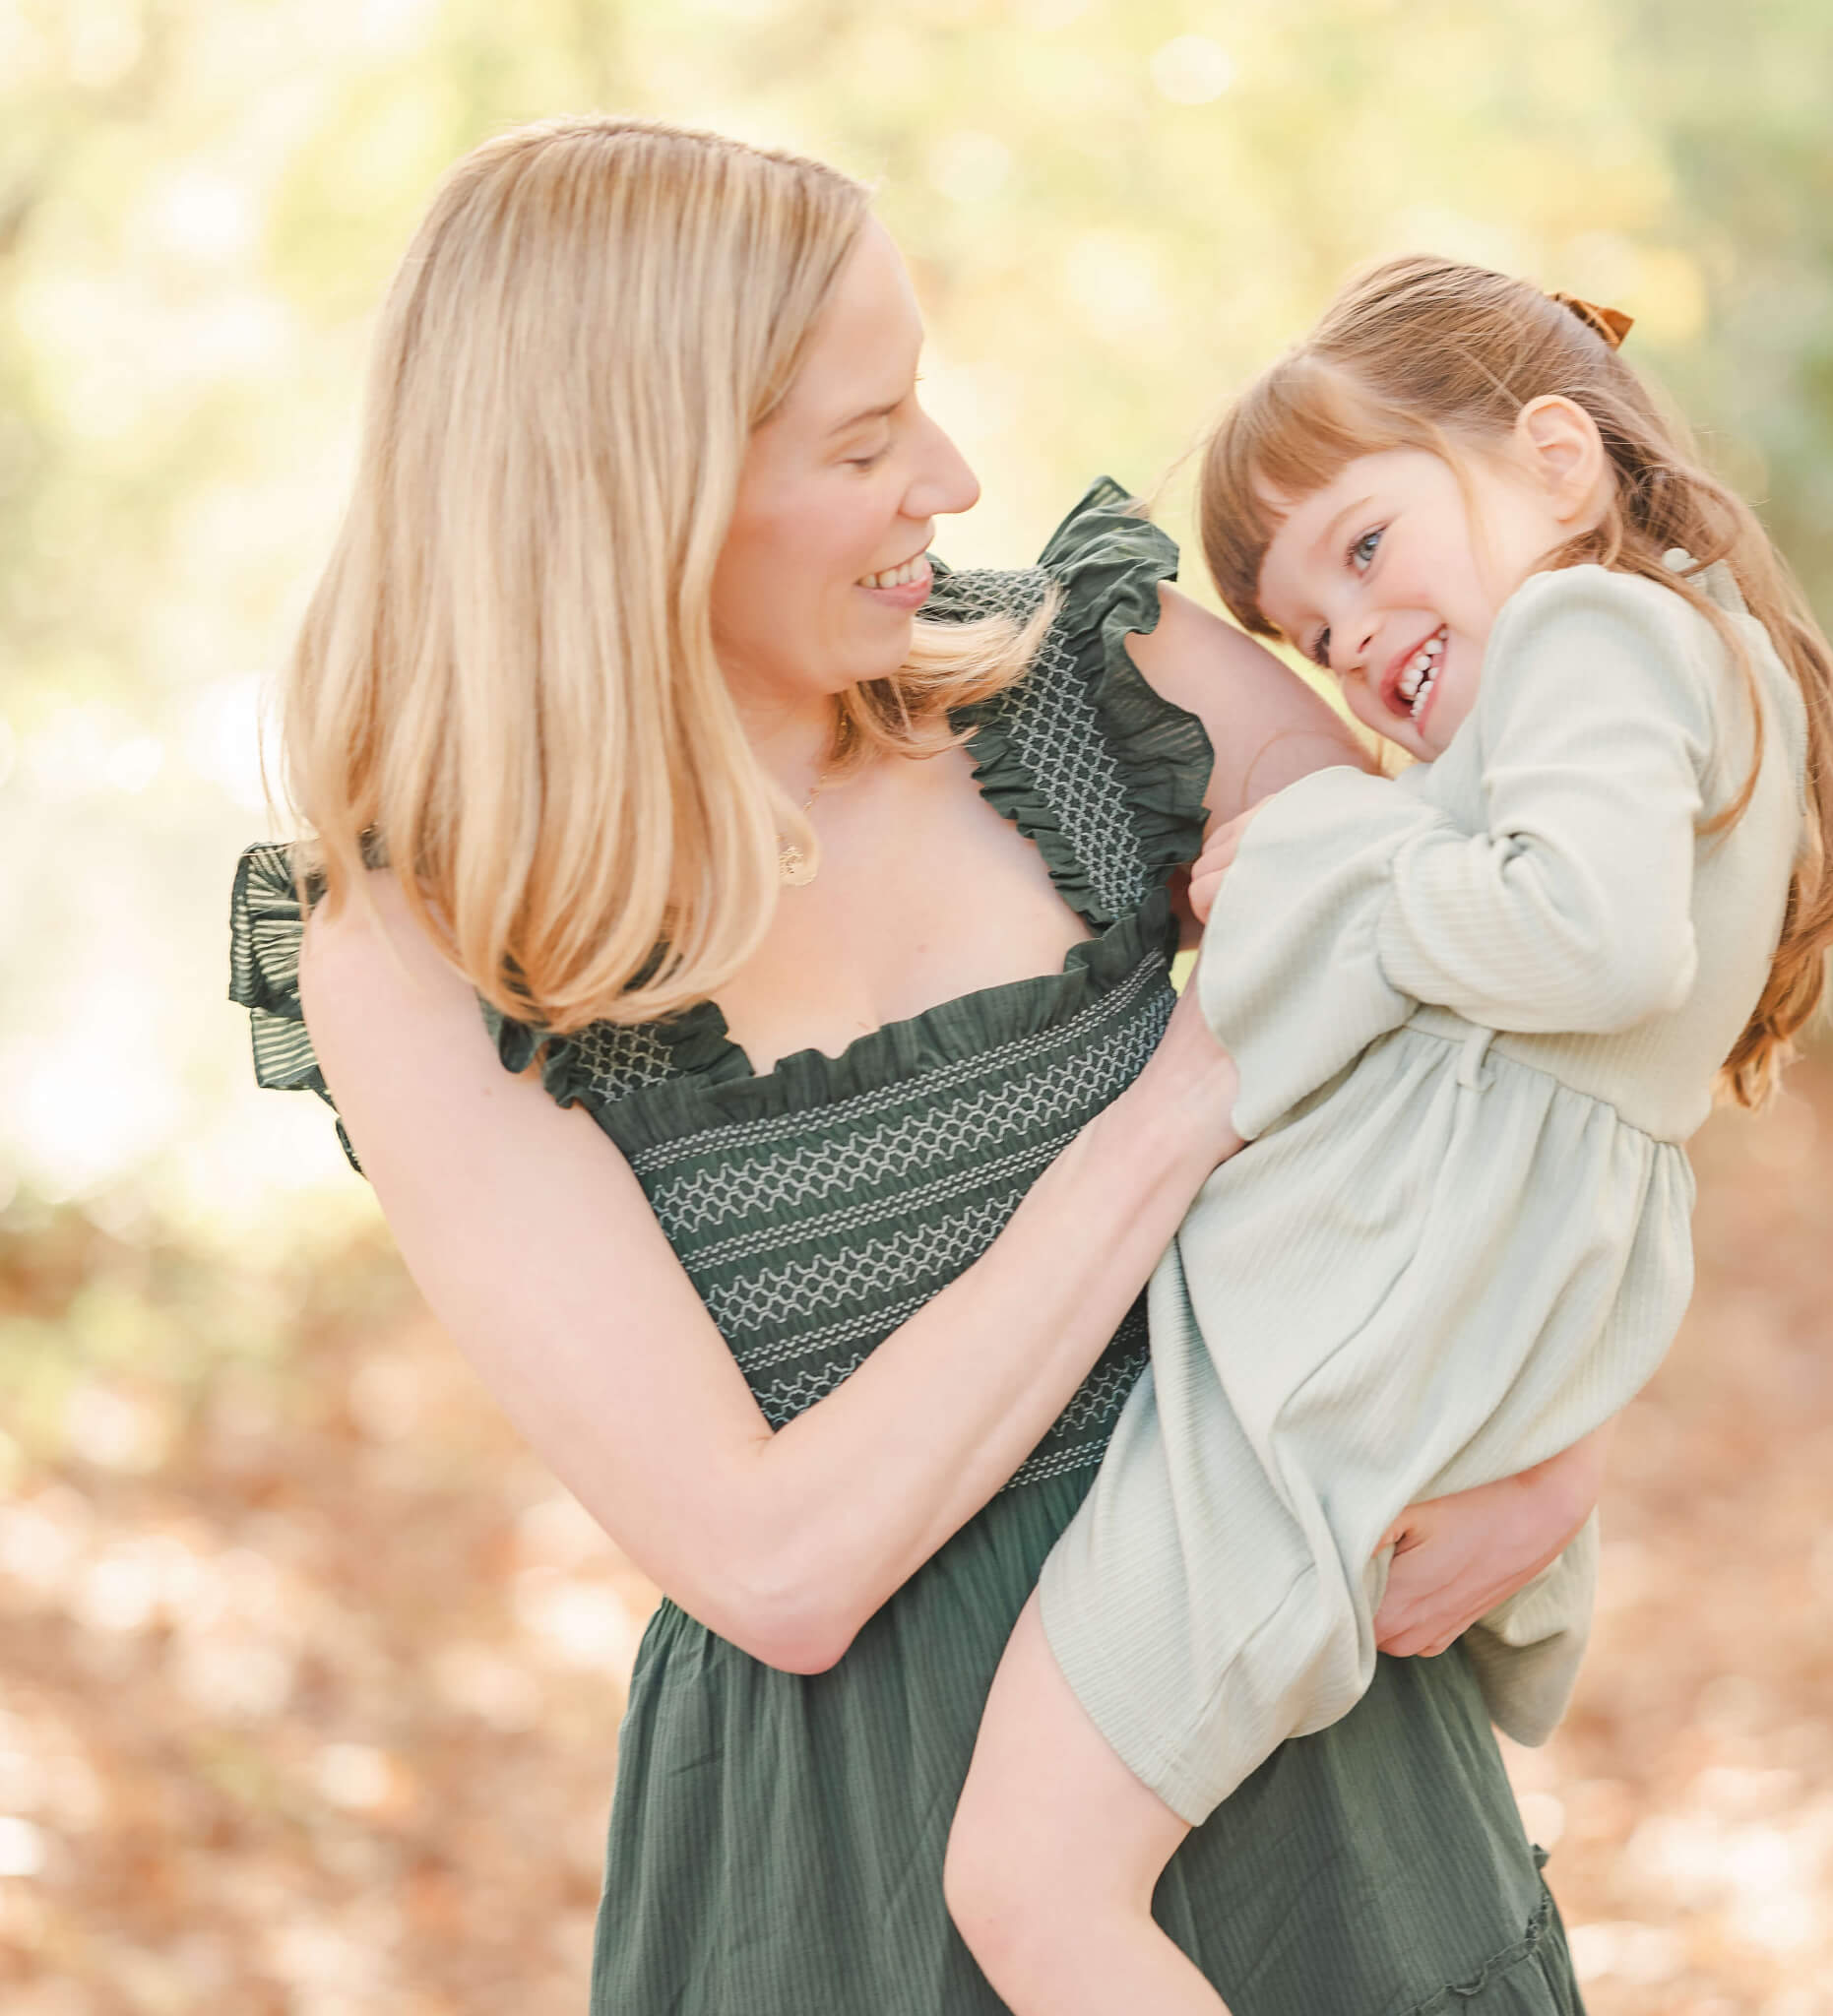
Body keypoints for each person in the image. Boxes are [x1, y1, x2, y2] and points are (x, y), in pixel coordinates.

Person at [228, 120, 1607, 2013]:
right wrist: (1188, 1095)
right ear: (640, 493)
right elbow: (775, 1559)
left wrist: (1560, 1464)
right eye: (865, 443)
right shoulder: (422, 952)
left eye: (923, 411)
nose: (948, 481)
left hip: (1326, 1829)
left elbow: (1558, 1048)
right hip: (850, 1896)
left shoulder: (1102, 693)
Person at [942, 256, 1833, 2014]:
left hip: (1364, 1331)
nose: (1354, 647)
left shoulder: (1595, 630)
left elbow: (1596, 942)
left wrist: (1322, 854)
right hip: (1439, 1297)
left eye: (1365, 551)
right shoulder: (1669, 656)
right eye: (1309, 635)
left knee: (1029, 1878)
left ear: (1556, 459)